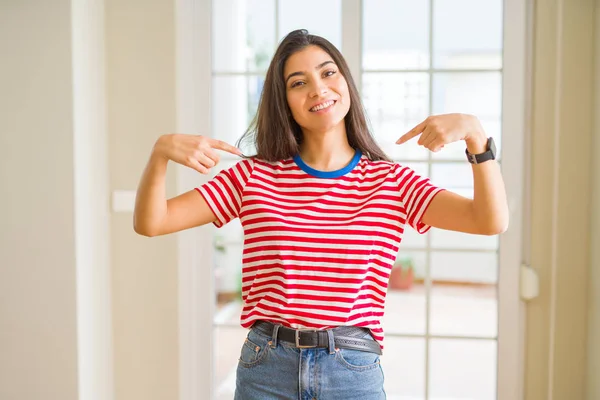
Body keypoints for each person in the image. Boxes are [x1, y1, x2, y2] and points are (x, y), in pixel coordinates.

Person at [133, 29, 509, 400]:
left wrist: (477, 138)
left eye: (328, 73)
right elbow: (152, 222)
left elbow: (488, 221)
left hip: (351, 369)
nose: (318, 89)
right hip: (267, 368)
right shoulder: (254, 176)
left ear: (345, 81)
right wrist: (160, 153)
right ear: (285, 101)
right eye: (299, 82)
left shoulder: (390, 180)